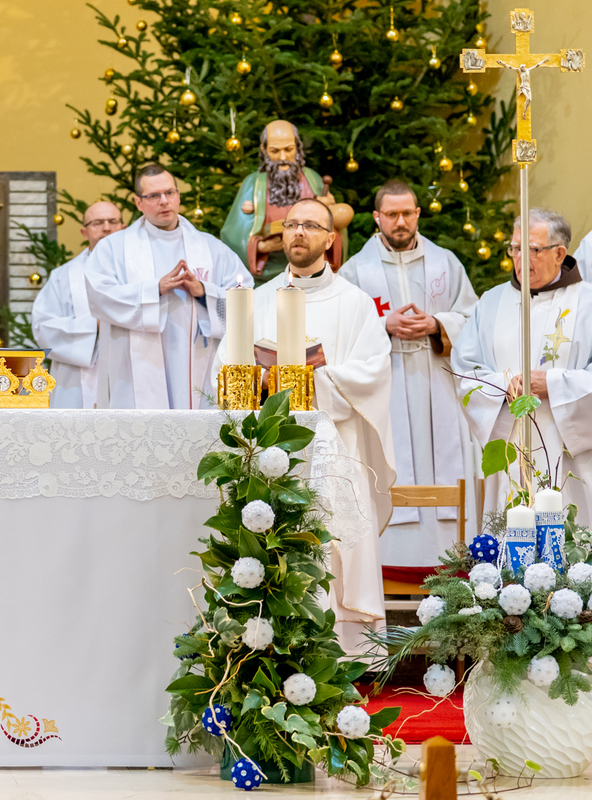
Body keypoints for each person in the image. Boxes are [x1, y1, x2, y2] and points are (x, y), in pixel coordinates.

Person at [249, 198, 394, 653]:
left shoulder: (354, 304)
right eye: (292, 224)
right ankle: (275, 649)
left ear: (330, 240)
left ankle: (345, 653)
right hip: (274, 447)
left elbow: (374, 371)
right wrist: (261, 378)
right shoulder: (256, 300)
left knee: (333, 540)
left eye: (311, 226)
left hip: (336, 445)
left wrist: (318, 377)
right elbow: (229, 368)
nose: (298, 233)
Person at [339, 180, 479, 566]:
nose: (400, 221)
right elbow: (343, 329)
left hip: (437, 377)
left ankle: (449, 559)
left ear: (418, 214)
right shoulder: (354, 272)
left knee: (445, 462)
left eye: (407, 213)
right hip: (387, 381)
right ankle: (394, 560)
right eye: (392, 214)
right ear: (377, 218)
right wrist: (385, 325)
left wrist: (438, 324)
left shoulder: (446, 263)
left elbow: (472, 317)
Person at [453, 208, 592, 519]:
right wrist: (503, 385)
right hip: (510, 445)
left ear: (559, 253)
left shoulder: (587, 303)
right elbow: (465, 368)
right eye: (515, 248)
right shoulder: (490, 302)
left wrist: (554, 384)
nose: (519, 258)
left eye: (532, 249)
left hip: (569, 454)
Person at [83, 164, 250, 409]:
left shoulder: (210, 247)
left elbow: (244, 295)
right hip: (134, 371)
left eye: (170, 193)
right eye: (153, 196)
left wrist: (204, 291)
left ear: (178, 195)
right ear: (138, 202)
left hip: (198, 361)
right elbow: (99, 296)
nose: (164, 201)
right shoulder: (113, 248)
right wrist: (154, 290)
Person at [220, 120, 344, 282]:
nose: (283, 157)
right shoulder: (253, 184)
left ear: (297, 147)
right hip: (266, 271)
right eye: (275, 151)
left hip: (308, 272)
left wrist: (329, 212)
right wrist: (259, 247)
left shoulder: (313, 180)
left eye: (289, 149)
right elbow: (232, 233)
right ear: (264, 150)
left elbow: (335, 228)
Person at [29, 201, 124, 408]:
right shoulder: (63, 276)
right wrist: (95, 325)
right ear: (84, 232)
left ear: (123, 228)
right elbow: (43, 328)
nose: (107, 228)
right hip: (76, 385)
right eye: (98, 222)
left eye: (113, 221)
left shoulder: (137, 273)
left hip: (127, 376)